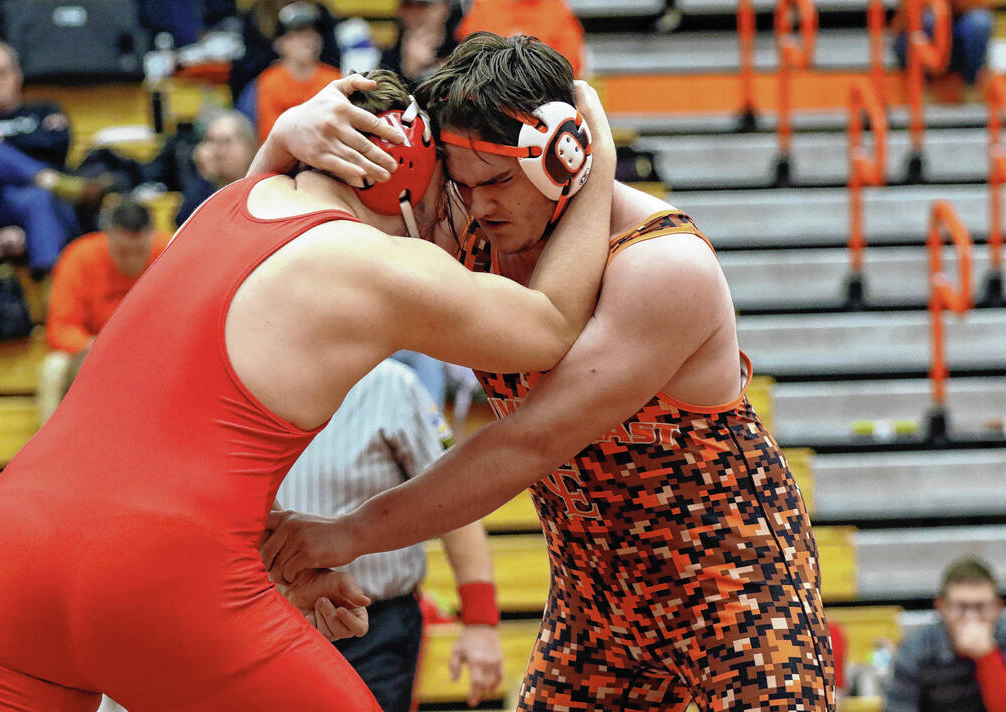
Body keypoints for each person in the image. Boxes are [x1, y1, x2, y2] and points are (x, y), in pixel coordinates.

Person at [0, 69, 615, 711]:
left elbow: (175, 430)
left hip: (12, 550)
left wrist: (283, 136)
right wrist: (599, 163)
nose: (455, 222)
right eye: (449, 193)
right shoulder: (375, 264)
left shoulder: (219, 207)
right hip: (156, 568)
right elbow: (551, 327)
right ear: (401, 173)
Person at [257, 33, 836, 711]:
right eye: (464, 184)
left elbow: (531, 442)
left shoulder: (662, 265)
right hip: (595, 607)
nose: (479, 207)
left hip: (735, 592)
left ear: (566, 154)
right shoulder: (471, 233)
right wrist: (282, 141)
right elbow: (282, 265)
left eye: (499, 182)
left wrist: (348, 534)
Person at [275, 358, 504, 710]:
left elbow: (455, 501)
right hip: (266, 620)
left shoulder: (393, 386)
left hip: (373, 628)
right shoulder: (247, 386)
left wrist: (480, 622)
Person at [0, 39, 106, 275]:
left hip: (48, 205)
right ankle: (51, 180)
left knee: (36, 198)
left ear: (17, 73)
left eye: (0, 73)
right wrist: (30, 153)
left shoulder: (45, 110)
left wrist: (2, 148)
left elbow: (57, 144)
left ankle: (47, 277)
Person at [38, 196, 168, 423]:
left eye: (140, 251)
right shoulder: (80, 257)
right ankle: (49, 444)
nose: (132, 261)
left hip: (156, 354)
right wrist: (100, 347)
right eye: (122, 252)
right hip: (95, 353)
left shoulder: (171, 251)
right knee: (53, 368)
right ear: (107, 237)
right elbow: (61, 327)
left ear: (151, 237)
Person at [883, 557, 1006, 712]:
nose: (971, 617)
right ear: (942, 607)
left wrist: (988, 657)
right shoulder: (917, 650)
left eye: (981, 607)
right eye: (961, 607)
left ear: (997, 607)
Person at [255, 1, 342, 143]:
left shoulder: (334, 79)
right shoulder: (269, 81)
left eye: (311, 34)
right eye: (297, 35)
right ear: (279, 43)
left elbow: (339, 129)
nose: (307, 41)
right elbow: (270, 136)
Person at [455, 0, 585, 78]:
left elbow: (570, 63)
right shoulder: (485, 6)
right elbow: (468, 51)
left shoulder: (555, 9)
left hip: (544, 94)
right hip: (490, 93)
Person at [892, 0, 993, 96]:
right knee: (929, 20)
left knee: (980, 21)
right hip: (917, 36)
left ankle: (971, 83)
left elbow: (981, 5)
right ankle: (926, 84)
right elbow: (903, 19)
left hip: (954, 35)